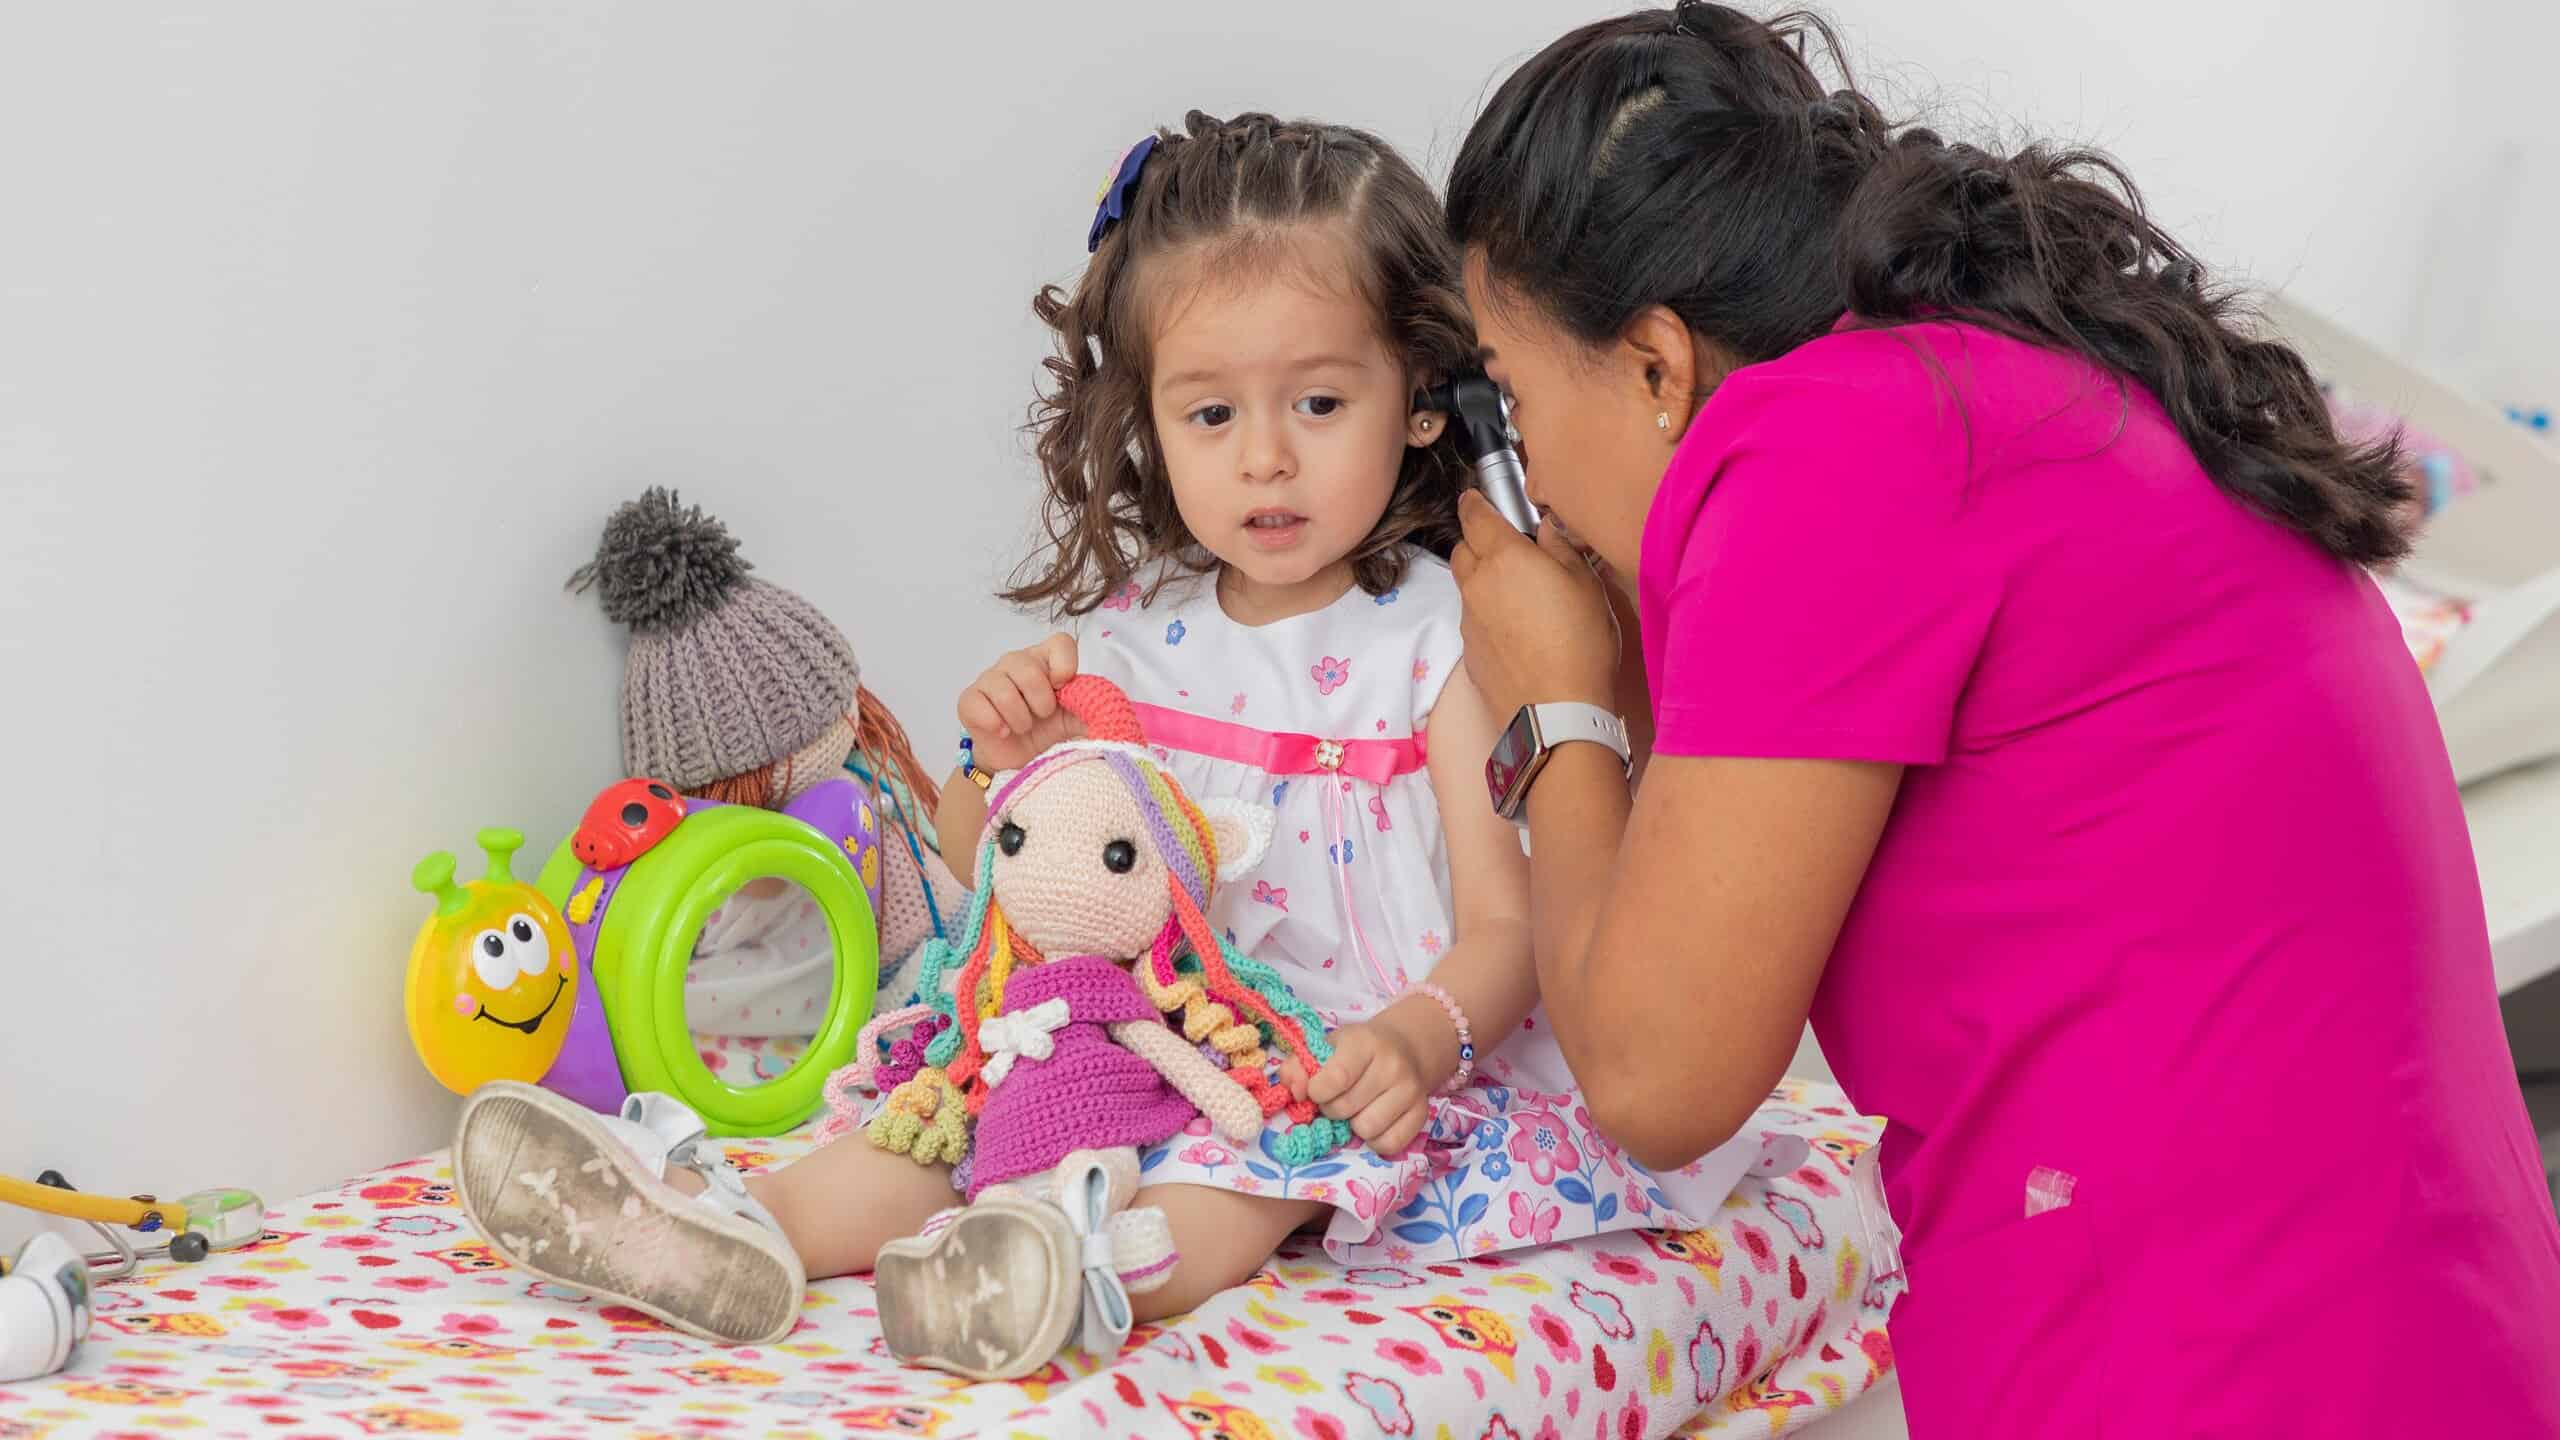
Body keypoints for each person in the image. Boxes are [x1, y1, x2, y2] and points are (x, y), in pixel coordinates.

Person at [446, 108, 1770, 1364]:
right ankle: (734, 1235)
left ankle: (1064, 1267)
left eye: (1317, 404)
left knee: (1244, 1181)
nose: (1264, 460)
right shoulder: (1141, 633)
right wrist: (996, 761)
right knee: (953, 1102)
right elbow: (996, 867)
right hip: (1109, 1020)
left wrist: (1420, 1043)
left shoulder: (1442, 641)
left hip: (1308, 1059)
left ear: (1419, 397)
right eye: (1212, 415)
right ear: (1149, 423)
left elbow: (1507, 926)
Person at [1438, 4, 2560, 1435]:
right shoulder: (1989, 386)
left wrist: (1553, 707)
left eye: (1520, 404)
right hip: (2409, 1324)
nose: (1526, 464)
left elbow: (1659, 1075)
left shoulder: (1818, 452)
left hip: (2221, 1362)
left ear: (1658, 366)